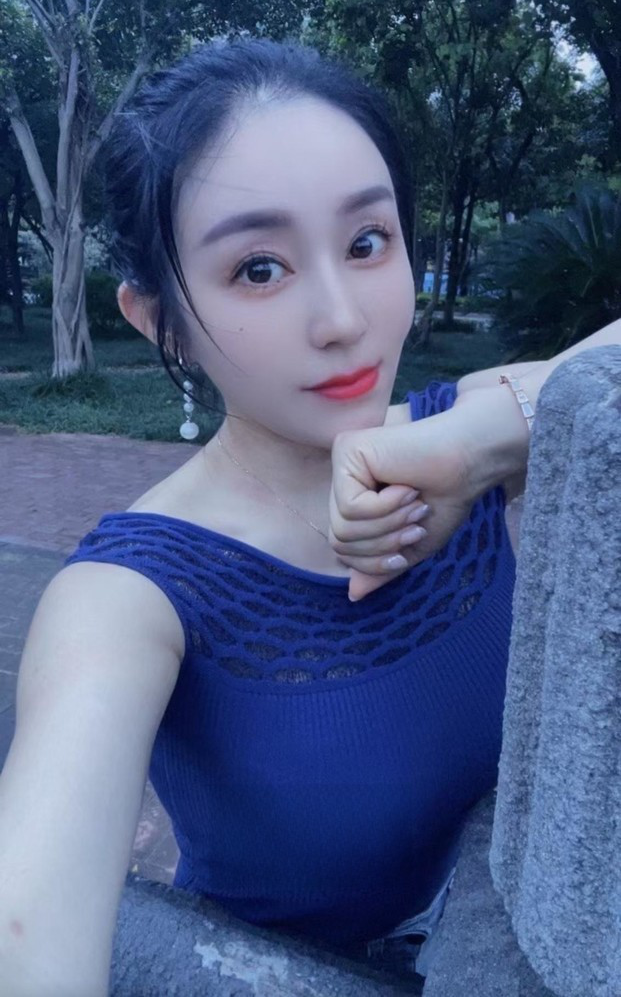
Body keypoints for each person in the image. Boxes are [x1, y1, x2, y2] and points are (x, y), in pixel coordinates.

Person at [0, 37, 619, 996]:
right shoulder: (127, 596)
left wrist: (490, 438)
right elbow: (26, 932)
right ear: (160, 321)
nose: (341, 318)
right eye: (259, 268)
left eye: (366, 242)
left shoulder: (462, 434)